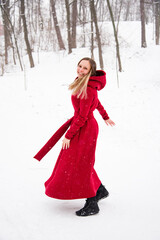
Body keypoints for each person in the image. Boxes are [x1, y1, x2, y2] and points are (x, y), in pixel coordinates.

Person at [35, 57, 115, 217]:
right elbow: (97, 103)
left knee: (81, 162)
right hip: (82, 126)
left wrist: (68, 135)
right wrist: (105, 116)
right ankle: (99, 190)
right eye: (79, 66)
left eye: (85, 68)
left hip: (85, 128)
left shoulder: (89, 87)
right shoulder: (83, 82)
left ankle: (92, 202)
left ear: (90, 72)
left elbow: (83, 116)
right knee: (78, 161)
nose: (80, 70)